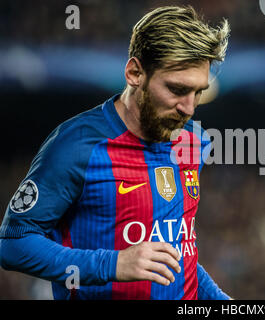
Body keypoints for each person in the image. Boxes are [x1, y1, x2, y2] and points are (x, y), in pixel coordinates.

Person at [0, 5, 231, 300]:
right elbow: (13, 243)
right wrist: (113, 264)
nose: (189, 108)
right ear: (135, 73)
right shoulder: (77, 145)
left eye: (198, 92)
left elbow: (179, 255)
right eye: (176, 90)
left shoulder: (194, 143)